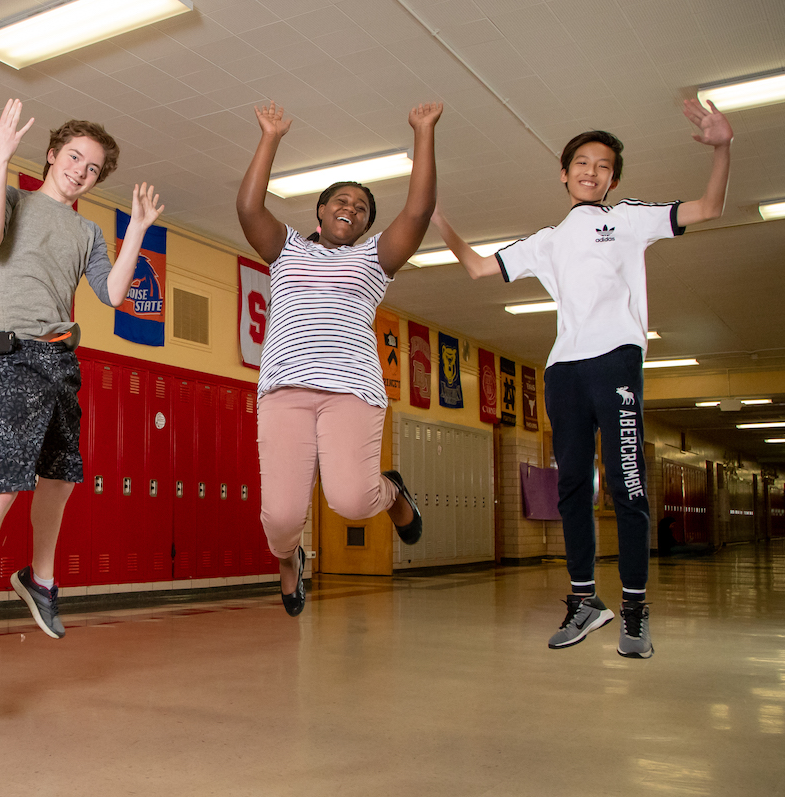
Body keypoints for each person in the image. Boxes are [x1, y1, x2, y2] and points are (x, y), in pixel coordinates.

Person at [431, 98, 733, 659]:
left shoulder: (630, 219)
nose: (591, 172)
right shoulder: (545, 241)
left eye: (602, 166)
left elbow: (710, 206)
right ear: (564, 173)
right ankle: (585, 601)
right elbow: (477, 267)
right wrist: (438, 218)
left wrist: (722, 147)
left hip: (615, 358)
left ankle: (637, 609)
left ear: (612, 178)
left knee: (627, 484)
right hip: (563, 368)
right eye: (582, 163)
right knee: (573, 486)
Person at [0, 100, 163, 679]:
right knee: (5, 478)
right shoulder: (15, 200)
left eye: (92, 169)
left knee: (62, 474)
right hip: (12, 353)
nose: (81, 171)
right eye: (74, 157)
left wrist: (135, 228)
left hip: (61, 358)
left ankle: (39, 579)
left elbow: (112, 294)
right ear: (53, 155)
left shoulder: (87, 231)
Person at [236, 100, 440, 617]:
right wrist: (270, 138)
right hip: (285, 391)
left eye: (363, 208)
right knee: (280, 517)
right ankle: (289, 559)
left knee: (351, 501)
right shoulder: (285, 249)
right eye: (340, 201)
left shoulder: (373, 259)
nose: (351, 208)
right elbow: (249, 209)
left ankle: (392, 494)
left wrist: (422, 133)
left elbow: (416, 213)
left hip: (351, 390)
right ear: (322, 212)